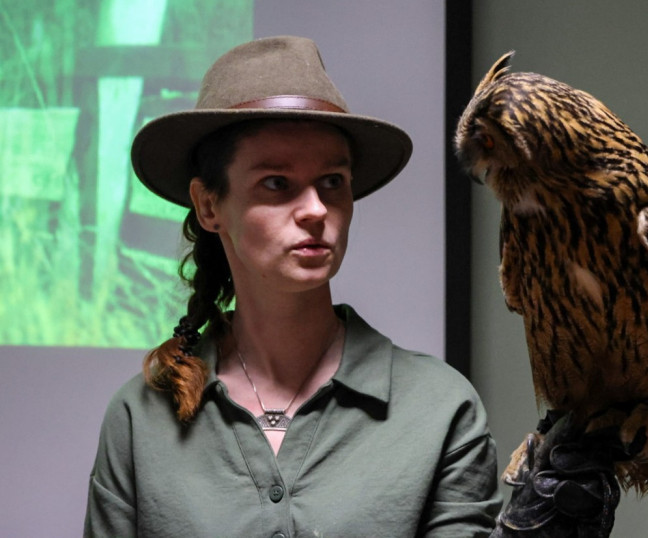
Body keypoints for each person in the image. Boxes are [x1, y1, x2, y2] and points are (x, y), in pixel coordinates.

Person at [84, 36, 502, 537]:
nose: (316, 210)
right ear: (209, 205)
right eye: (277, 183)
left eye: (333, 181)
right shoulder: (140, 419)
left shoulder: (438, 409)